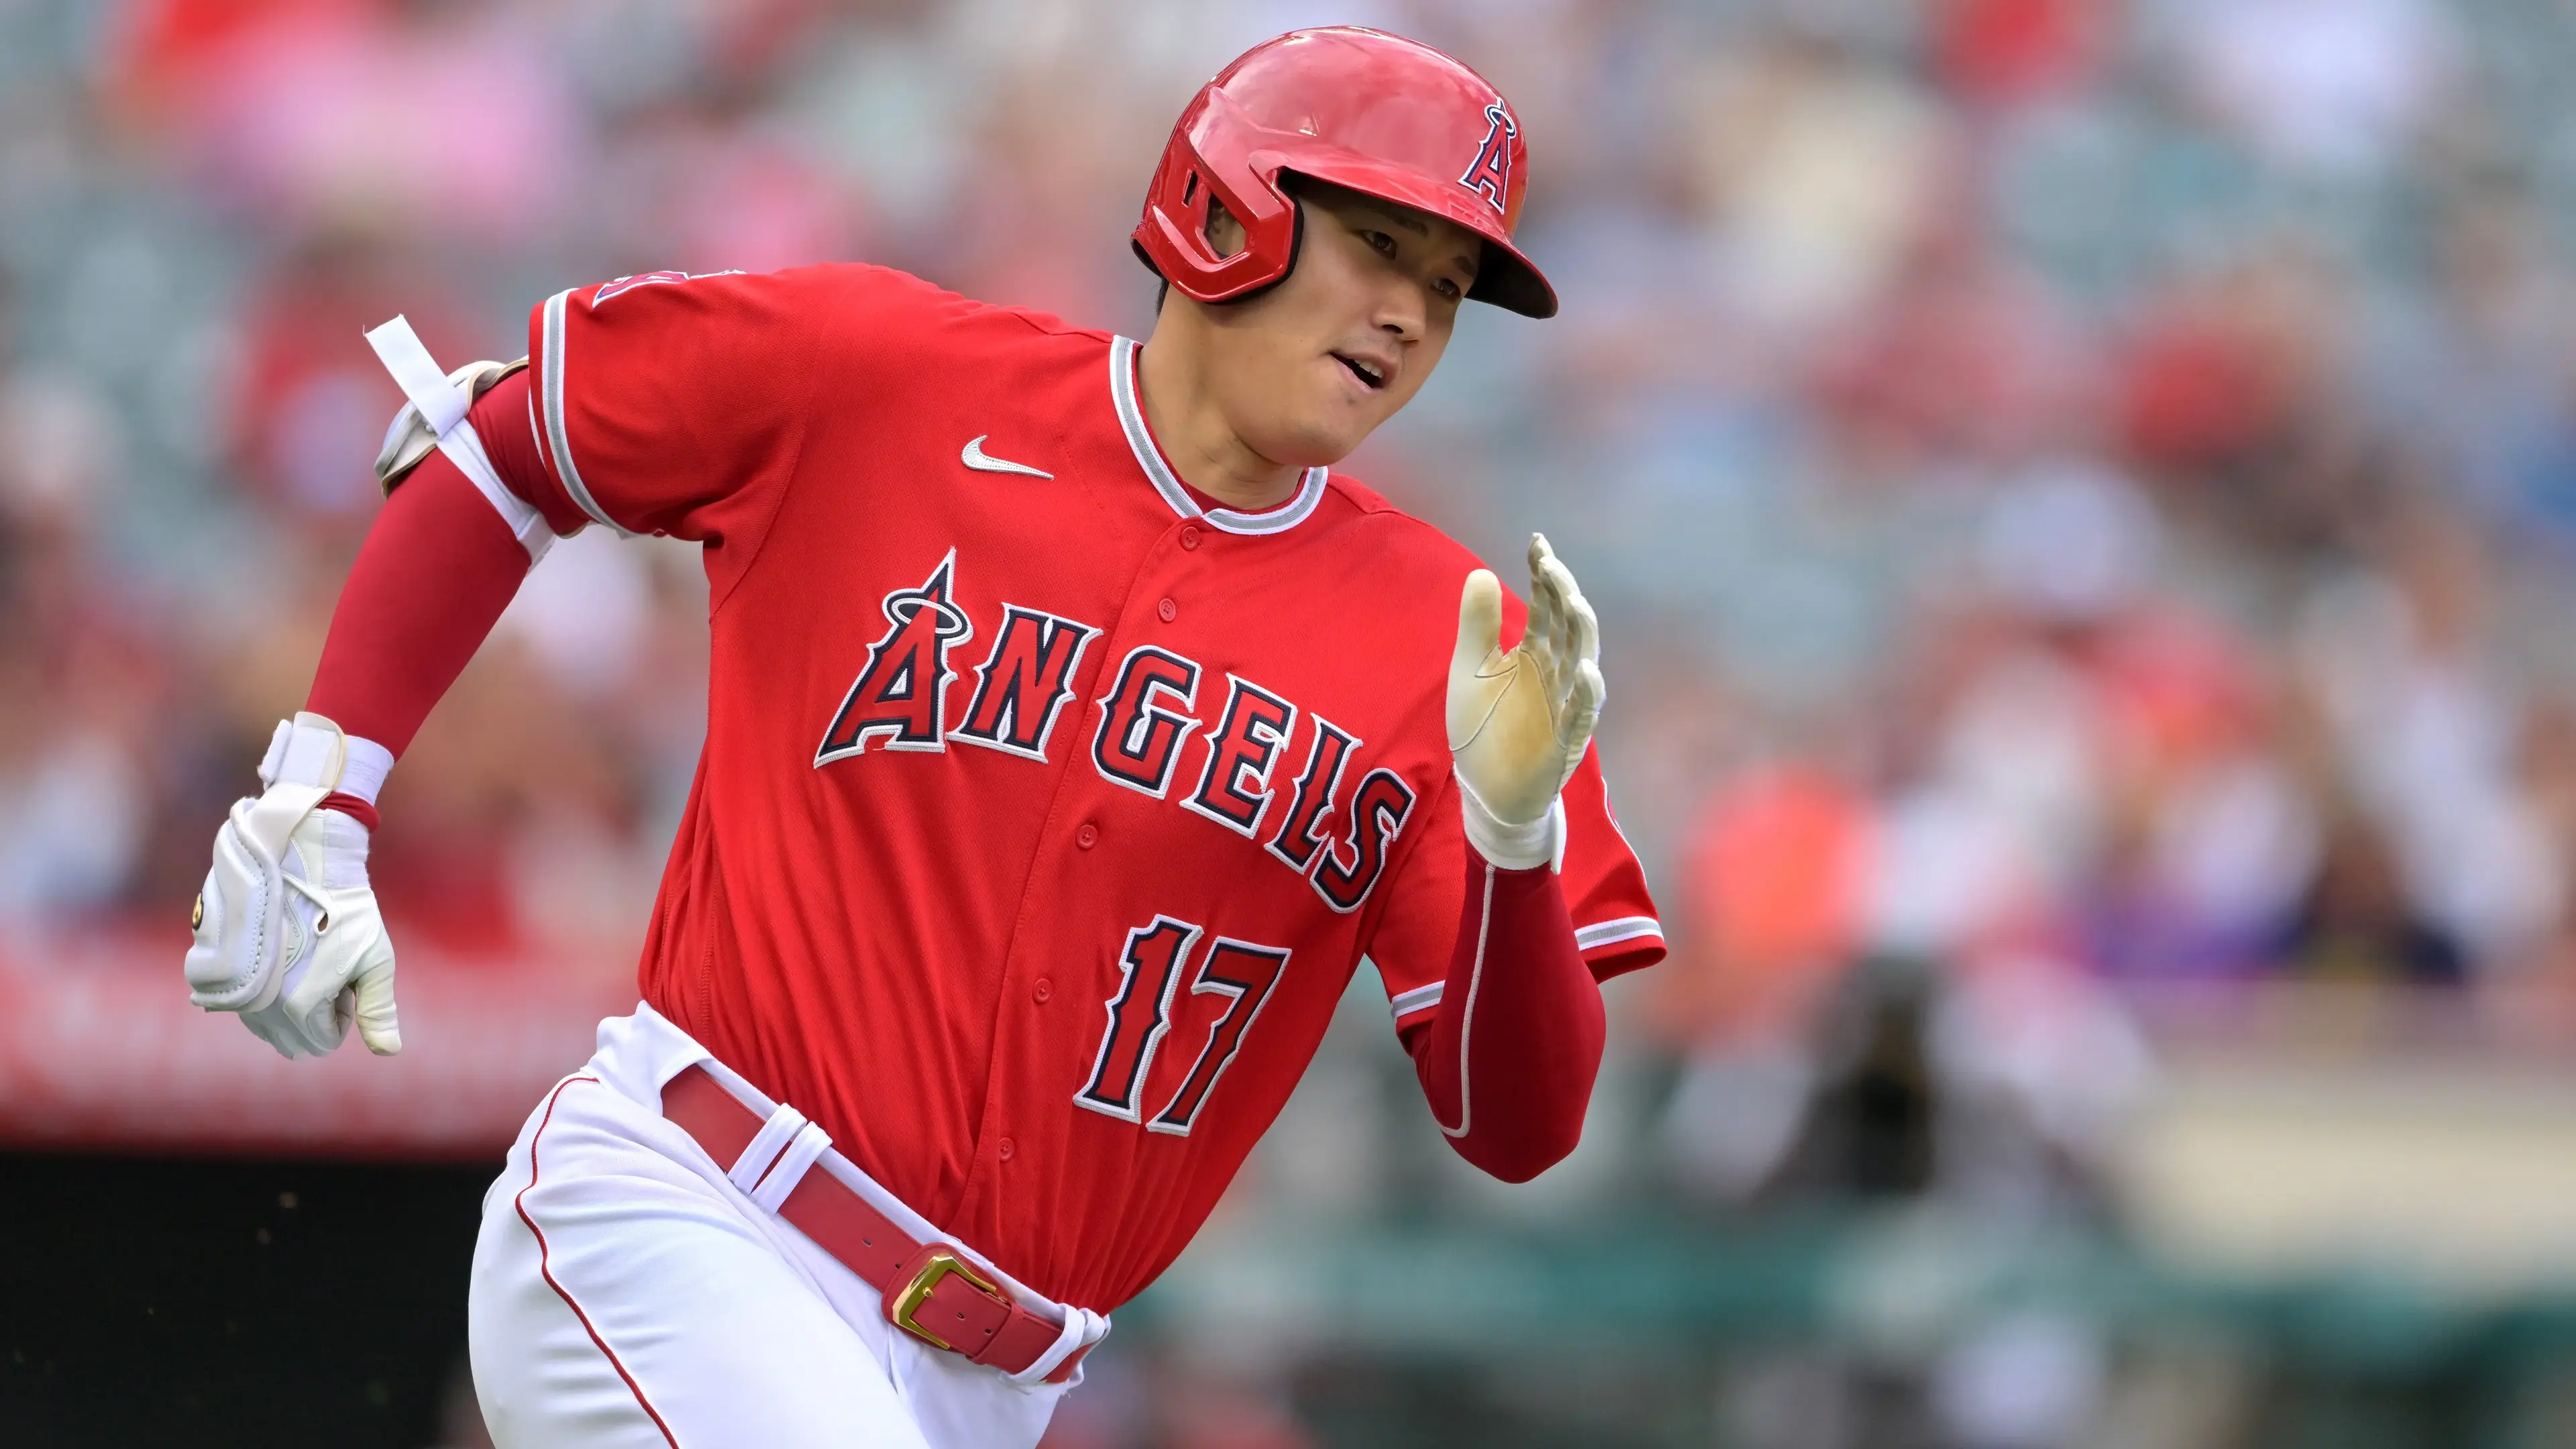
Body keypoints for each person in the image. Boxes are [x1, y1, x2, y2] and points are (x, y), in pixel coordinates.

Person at [180, 27, 1662, 1449]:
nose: (1412, 313)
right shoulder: (885, 378)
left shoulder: (1457, 648)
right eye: (1381, 246)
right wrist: (323, 788)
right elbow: (508, 440)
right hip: (692, 1214)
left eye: (1452, 284)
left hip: (993, 1388)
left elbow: (1515, 1125)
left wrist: (1513, 838)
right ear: (1227, 209)